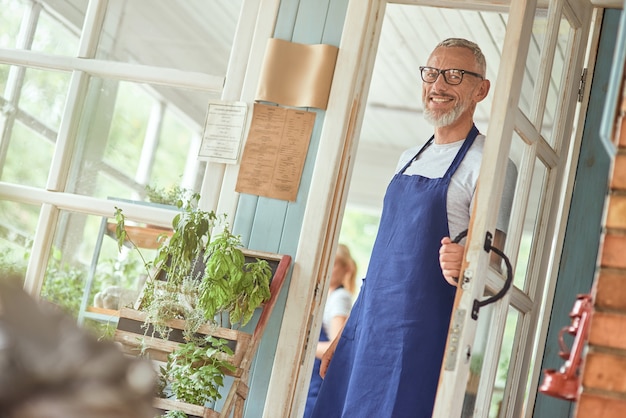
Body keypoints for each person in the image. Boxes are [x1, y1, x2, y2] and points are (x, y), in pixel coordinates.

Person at [310, 38, 516, 418]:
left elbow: (492, 271)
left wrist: (468, 264)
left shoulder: (490, 163)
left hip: (421, 339)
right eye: (432, 73)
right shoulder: (408, 158)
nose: (438, 86)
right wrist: (346, 331)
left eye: (455, 76)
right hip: (368, 329)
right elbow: (381, 261)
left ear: (480, 90)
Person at [303, 243, 357, 418]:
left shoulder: (340, 298)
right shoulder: (327, 295)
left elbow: (335, 347)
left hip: (318, 378)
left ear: (346, 268)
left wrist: (303, 345)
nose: (327, 268)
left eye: (333, 264)